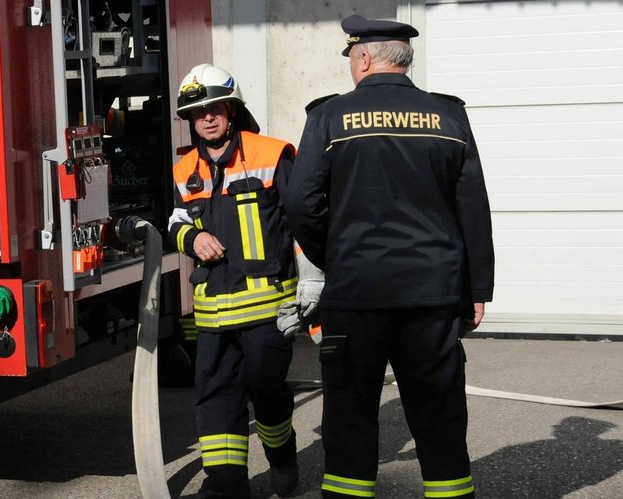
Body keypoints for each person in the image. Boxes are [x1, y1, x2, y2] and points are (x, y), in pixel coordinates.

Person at [282, 15, 494, 499]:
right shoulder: (449, 116)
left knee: (351, 411)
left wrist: (333, 257)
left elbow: (301, 204)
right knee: (438, 410)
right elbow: (473, 207)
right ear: (404, 60)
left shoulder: (330, 117)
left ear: (362, 58)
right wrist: (477, 287)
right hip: (433, 292)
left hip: (357, 290)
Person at [169, 63, 300, 498]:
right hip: (212, 316)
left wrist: (315, 290)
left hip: (269, 310)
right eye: (196, 112)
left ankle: (282, 454)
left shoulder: (271, 154)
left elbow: (303, 222)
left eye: (215, 108)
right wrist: (193, 237)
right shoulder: (184, 170)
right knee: (217, 399)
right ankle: (225, 485)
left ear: (232, 109)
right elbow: (175, 221)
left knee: (265, 390)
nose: (207, 118)